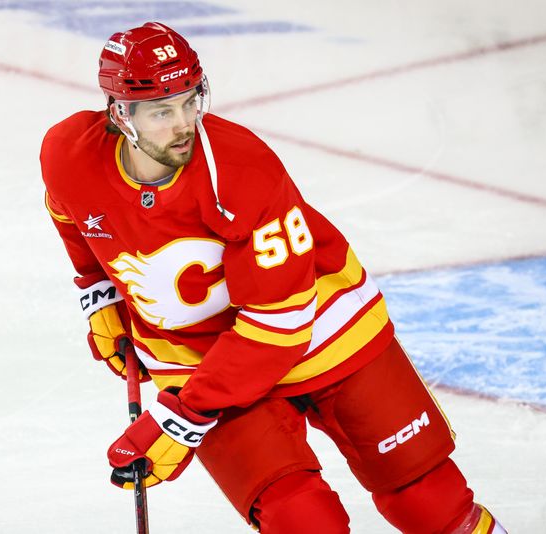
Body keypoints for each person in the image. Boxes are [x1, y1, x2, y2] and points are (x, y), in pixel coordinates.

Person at [40, 21, 507, 534]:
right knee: (301, 520)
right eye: (161, 111)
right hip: (201, 360)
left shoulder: (242, 170)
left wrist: (184, 416)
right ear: (120, 115)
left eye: (191, 101)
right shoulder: (69, 154)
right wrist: (98, 291)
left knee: (428, 501)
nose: (184, 124)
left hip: (325, 333)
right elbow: (74, 214)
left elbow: (278, 328)